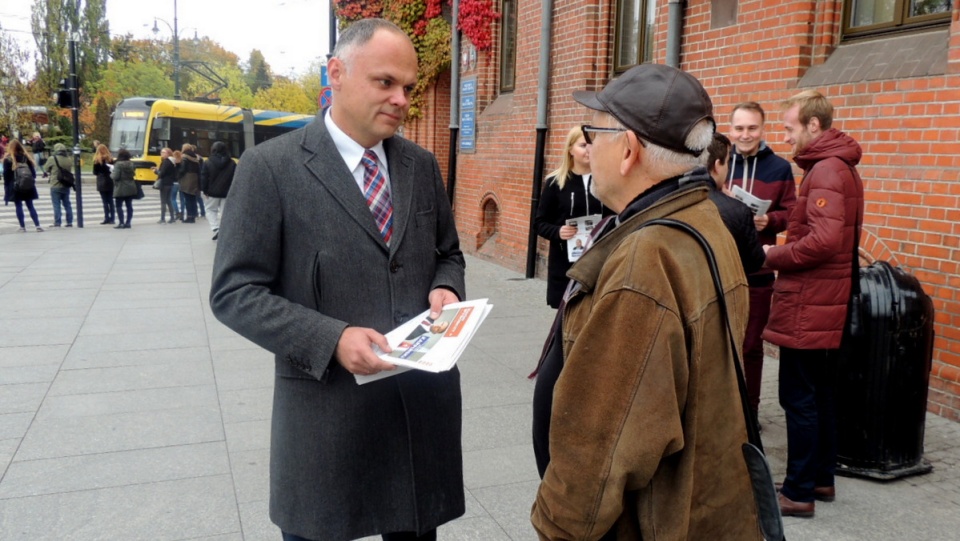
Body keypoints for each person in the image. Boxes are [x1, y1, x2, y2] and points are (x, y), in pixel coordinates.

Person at [209, 18, 466, 541]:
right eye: (385, 82)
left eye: (409, 88)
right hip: (327, 415)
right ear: (337, 73)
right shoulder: (269, 169)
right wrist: (332, 339)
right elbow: (234, 293)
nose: (401, 99)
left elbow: (449, 253)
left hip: (417, 412)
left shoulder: (421, 165)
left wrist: (448, 288)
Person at [530, 64, 762, 540]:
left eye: (595, 135)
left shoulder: (646, 258)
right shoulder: (701, 219)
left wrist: (558, 527)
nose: (588, 148)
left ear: (629, 149)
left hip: (650, 523)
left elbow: (605, 445)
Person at [763, 90, 864, 518]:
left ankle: (799, 490)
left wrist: (773, 256)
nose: (785, 138)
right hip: (826, 300)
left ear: (814, 126)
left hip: (810, 301)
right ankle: (821, 479)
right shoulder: (839, 166)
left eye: (790, 128)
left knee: (798, 397)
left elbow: (823, 241)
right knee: (820, 394)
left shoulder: (824, 170)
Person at [726, 101, 797, 426]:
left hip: (759, 269)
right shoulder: (721, 162)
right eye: (739, 128)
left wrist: (769, 220)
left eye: (752, 128)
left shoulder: (779, 168)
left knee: (752, 346)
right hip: (723, 266)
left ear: (763, 129)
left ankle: (748, 413)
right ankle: (722, 409)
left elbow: (792, 215)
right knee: (722, 344)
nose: (745, 134)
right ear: (730, 130)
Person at [534, 126, 612, 308]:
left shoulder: (606, 180)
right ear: (570, 150)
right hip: (565, 264)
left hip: (599, 259)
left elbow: (618, 215)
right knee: (567, 314)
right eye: (583, 145)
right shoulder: (555, 182)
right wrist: (558, 231)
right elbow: (539, 223)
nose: (589, 150)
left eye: (591, 145)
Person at [705, 133, 765, 275]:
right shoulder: (738, 210)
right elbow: (754, 262)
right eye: (727, 161)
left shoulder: (670, 198)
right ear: (717, 166)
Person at [2, 139, 43, 232]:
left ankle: (22, 227)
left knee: (18, 206)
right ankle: (37, 225)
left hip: (15, 185)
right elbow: (33, 174)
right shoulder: (26, 158)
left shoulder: (8, 159)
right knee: (30, 205)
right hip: (28, 185)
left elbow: (6, 176)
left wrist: (7, 189)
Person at [200, 141, 235, 240]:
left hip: (212, 192)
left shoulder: (208, 162)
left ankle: (215, 228)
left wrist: (204, 190)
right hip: (227, 192)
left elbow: (204, 177)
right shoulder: (232, 163)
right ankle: (225, 230)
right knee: (225, 212)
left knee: (210, 210)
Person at [42, 143, 74, 227]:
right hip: (66, 184)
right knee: (67, 204)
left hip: (55, 184)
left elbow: (46, 169)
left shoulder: (52, 158)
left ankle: (57, 222)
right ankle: (69, 221)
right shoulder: (69, 159)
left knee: (56, 204)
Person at [111, 149, 138, 229]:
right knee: (129, 205)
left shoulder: (118, 164)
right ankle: (128, 222)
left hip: (120, 187)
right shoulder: (131, 164)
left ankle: (121, 222)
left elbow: (116, 176)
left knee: (119, 205)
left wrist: (111, 174)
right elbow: (133, 173)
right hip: (130, 186)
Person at [177, 143, 201, 223]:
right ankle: (193, 216)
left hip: (187, 178)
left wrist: (178, 175)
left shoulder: (184, 157)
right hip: (195, 178)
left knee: (187, 198)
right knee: (193, 198)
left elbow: (183, 169)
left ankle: (189, 216)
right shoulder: (195, 157)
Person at [153, 147, 178, 224]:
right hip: (170, 183)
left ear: (168, 153)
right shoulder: (173, 161)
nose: (161, 154)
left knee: (163, 201)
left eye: (163, 152)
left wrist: (156, 171)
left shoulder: (166, 162)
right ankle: (172, 218)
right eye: (161, 152)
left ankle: (162, 218)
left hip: (164, 183)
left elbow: (162, 173)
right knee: (169, 201)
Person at [92, 144, 116, 224]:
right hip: (110, 181)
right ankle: (112, 218)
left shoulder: (97, 160)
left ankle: (106, 217)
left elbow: (95, 172)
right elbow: (113, 170)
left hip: (101, 181)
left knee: (104, 201)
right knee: (111, 201)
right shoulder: (110, 159)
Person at [170, 149, 183, 222]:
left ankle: (177, 212)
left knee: (173, 198)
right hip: (181, 182)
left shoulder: (173, 164)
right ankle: (182, 213)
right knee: (182, 199)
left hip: (174, 182)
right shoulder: (182, 163)